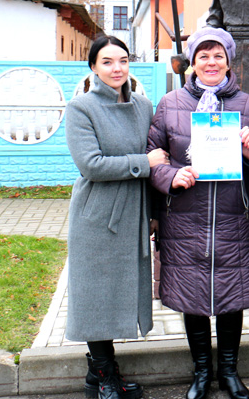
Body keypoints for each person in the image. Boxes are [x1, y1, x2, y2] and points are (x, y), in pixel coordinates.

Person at [147, 27, 249, 399]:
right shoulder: (170, 103)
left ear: (229, 61)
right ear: (192, 62)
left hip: (234, 214)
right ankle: (201, 372)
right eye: (203, 56)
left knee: (232, 294)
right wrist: (170, 176)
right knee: (191, 295)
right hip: (184, 214)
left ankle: (229, 371)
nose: (211, 63)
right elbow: (153, 155)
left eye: (218, 56)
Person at [65, 36, 169, 399]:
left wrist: (155, 213)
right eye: (107, 62)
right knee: (97, 296)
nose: (117, 69)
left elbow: (158, 161)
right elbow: (91, 165)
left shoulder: (143, 105)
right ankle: (105, 375)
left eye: (123, 60)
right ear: (93, 66)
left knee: (118, 293)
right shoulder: (81, 108)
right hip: (96, 215)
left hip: (135, 211)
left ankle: (100, 373)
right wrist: (144, 164)